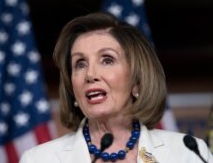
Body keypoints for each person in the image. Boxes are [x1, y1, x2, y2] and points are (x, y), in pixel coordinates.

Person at [19, 12, 213, 163]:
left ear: (136, 80)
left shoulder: (186, 152)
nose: (90, 74)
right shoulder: (40, 159)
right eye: (80, 63)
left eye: (107, 60)